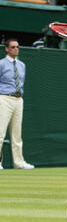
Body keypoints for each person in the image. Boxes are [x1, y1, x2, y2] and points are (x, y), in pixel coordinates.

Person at [0, 39, 35, 170]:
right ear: (7, 49)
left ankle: (19, 163)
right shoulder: (1, 64)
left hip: (18, 100)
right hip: (4, 99)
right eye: (13, 47)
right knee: (0, 133)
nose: (16, 49)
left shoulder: (21, 65)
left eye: (17, 47)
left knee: (17, 134)